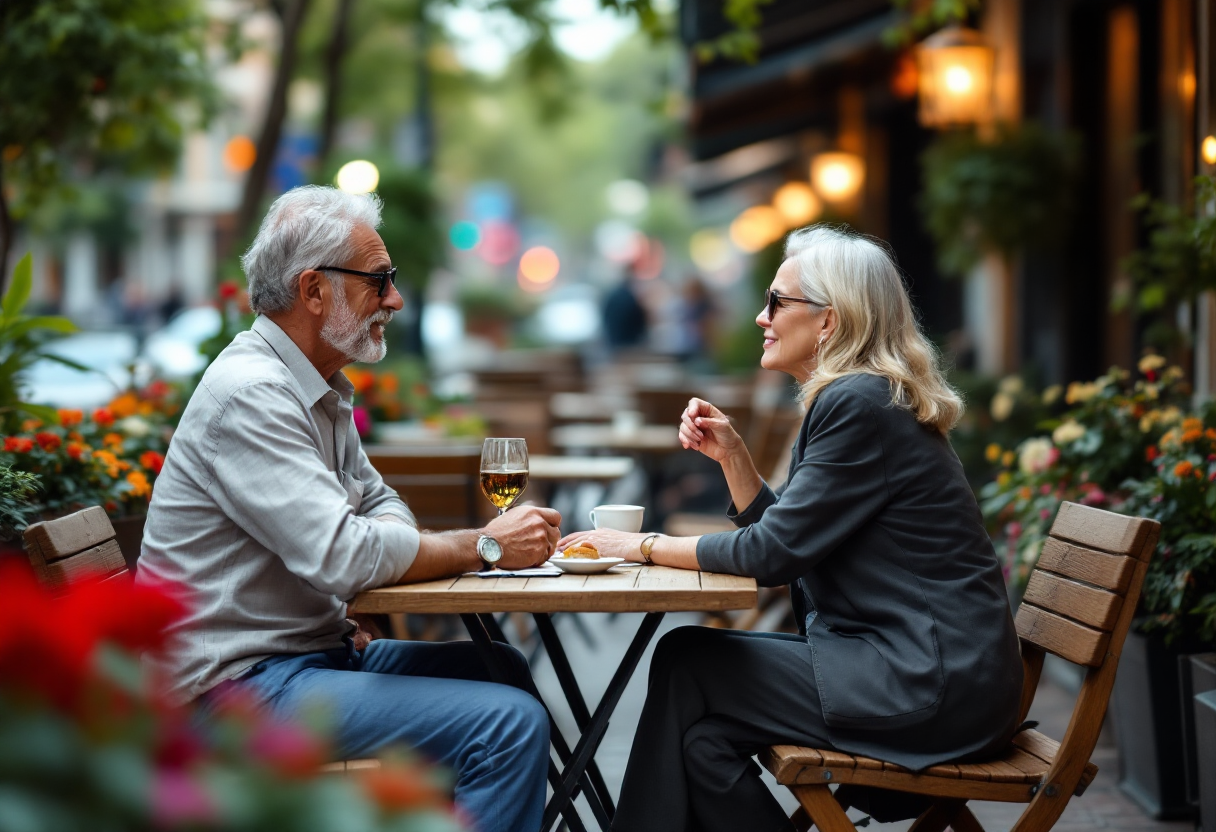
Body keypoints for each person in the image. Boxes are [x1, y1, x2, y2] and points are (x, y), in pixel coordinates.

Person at [557, 225, 1024, 832]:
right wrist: (735, 461)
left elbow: (772, 555)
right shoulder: (864, 398)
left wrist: (638, 545)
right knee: (702, 740)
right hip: (925, 670)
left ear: (829, 320)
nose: (760, 316)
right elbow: (793, 540)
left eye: (777, 301)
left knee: (689, 658)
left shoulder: (858, 403)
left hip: (928, 684)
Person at [137, 186, 559, 832]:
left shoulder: (317, 386)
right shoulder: (252, 395)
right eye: (380, 280)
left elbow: (379, 509)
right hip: (231, 694)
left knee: (501, 669)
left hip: (301, 661)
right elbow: (346, 556)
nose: (394, 299)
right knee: (509, 725)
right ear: (313, 291)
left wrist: (371, 552)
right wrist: (485, 544)